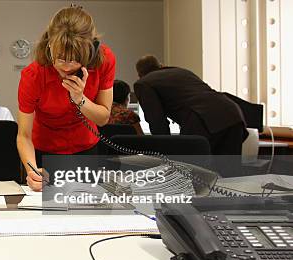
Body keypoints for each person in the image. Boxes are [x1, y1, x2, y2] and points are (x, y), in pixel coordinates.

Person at [17, 5, 116, 191]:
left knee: (87, 209)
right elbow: (23, 135)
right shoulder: (34, 75)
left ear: (91, 51)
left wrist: (80, 99)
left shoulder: (105, 60)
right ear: (49, 45)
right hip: (44, 151)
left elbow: (103, 118)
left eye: (75, 59)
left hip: (87, 147)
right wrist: (32, 171)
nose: (67, 67)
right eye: (60, 58)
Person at [134, 55, 248, 155]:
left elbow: (157, 120)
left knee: (192, 171)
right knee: (229, 173)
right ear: (161, 65)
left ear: (140, 75)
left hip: (203, 121)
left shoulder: (143, 83)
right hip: (233, 113)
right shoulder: (182, 71)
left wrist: (164, 151)